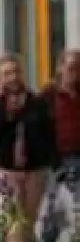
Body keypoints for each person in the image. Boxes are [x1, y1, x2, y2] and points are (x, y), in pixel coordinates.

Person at [0, 54, 57, 242]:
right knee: (12, 224)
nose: (13, 77)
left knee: (28, 223)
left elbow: (47, 132)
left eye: (16, 71)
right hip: (7, 172)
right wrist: (2, 104)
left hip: (35, 171)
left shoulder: (37, 102)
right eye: (7, 73)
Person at [44, 50, 80, 211]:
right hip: (58, 158)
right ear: (60, 68)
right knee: (55, 208)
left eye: (79, 68)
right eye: (71, 68)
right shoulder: (49, 95)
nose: (76, 73)